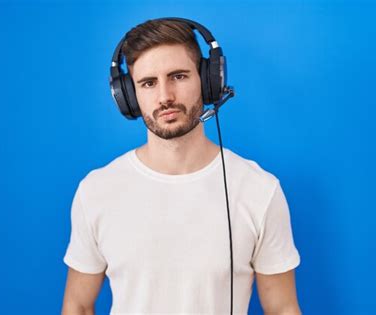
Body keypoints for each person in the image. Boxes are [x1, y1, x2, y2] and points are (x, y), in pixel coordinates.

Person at [61, 18, 301, 315]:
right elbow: (78, 306)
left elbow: (282, 309)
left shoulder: (259, 190)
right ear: (128, 96)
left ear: (208, 79)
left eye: (178, 76)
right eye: (148, 83)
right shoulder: (96, 191)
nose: (165, 97)